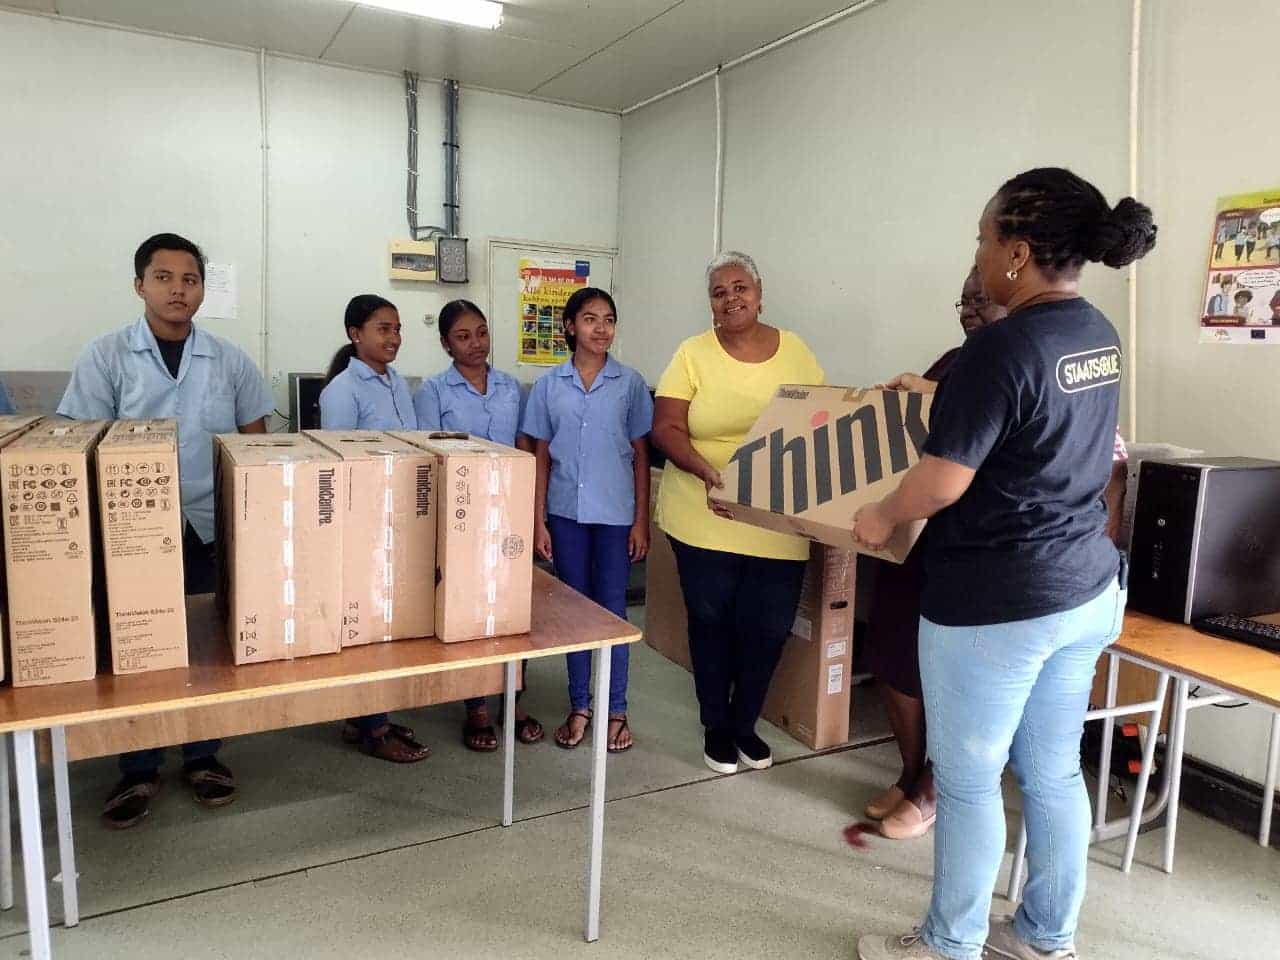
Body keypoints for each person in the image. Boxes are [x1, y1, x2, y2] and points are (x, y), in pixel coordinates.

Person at [853, 167, 1156, 960]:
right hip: (1086, 587)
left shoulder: (998, 347)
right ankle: (1044, 938)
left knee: (967, 780)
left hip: (999, 602)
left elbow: (942, 479)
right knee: (1053, 773)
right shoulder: (1098, 333)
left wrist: (880, 513)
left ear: (1017, 253)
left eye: (984, 238)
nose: (979, 253)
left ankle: (947, 946)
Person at [57, 232, 275, 829]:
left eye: (190, 279)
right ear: (139, 285)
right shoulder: (104, 356)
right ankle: (137, 766)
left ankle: (204, 756)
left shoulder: (230, 359)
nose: (178, 290)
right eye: (164, 278)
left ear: (202, 288)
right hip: (131, 534)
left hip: (208, 525)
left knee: (206, 644)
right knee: (137, 649)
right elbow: (79, 445)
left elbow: (253, 446)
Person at [650, 251, 825, 775]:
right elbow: (667, 428)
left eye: (739, 287)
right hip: (704, 511)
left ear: (759, 290)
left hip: (775, 519)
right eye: (719, 292)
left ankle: (746, 723)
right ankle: (716, 726)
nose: (731, 298)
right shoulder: (692, 353)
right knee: (711, 621)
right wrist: (706, 471)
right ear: (711, 305)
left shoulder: (795, 350)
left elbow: (818, 419)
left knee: (768, 626)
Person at [860, 266, 1007, 841]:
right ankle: (909, 770)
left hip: (975, 552)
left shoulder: (1017, 360)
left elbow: (952, 468)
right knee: (894, 651)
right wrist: (909, 393)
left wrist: (885, 514)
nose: (969, 310)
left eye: (980, 300)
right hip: (920, 540)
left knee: (955, 677)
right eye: (963, 301)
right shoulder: (954, 360)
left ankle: (934, 788)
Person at [522, 287, 652, 754]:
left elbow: (641, 455)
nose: (602, 329)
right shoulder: (548, 385)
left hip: (616, 516)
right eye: (591, 319)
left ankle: (616, 710)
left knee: (613, 613)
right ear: (570, 327)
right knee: (575, 617)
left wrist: (642, 522)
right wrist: (538, 522)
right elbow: (539, 456)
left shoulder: (631, 384)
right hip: (565, 515)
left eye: (609, 319)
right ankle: (581, 705)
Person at [413, 299, 545, 752]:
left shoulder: (512, 387)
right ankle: (476, 707)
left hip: (511, 513)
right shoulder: (433, 392)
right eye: (463, 336)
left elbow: (525, 447)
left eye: (482, 333)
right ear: (445, 342)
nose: (475, 344)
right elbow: (429, 457)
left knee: (514, 611)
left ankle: (515, 700)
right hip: (462, 517)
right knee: (469, 612)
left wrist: (533, 513)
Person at [318, 294, 431, 765]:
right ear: (355, 334)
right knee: (366, 625)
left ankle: (364, 715)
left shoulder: (395, 383)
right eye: (383, 329)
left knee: (387, 624)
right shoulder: (343, 391)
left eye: (398, 328)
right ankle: (373, 726)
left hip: (400, 518)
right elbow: (337, 466)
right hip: (363, 523)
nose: (393, 338)